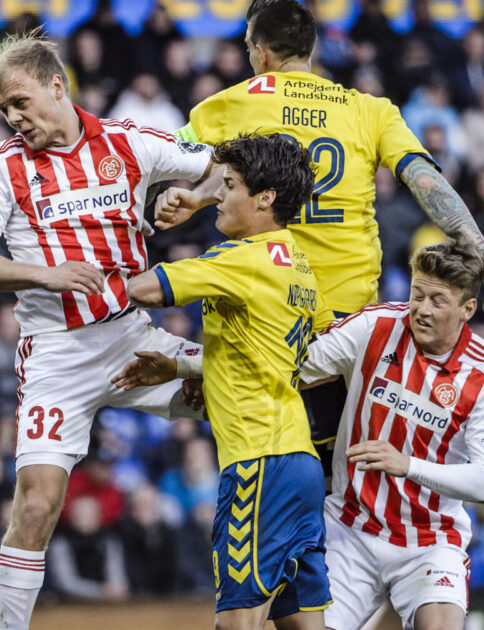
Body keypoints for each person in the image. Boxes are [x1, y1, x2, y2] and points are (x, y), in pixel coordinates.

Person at [163, 0, 484, 467]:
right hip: (349, 315)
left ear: (259, 53)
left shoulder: (238, 100)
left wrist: (188, 196)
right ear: (312, 48)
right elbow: (424, 179)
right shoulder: (368, 110)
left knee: (263, 455)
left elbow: (170, 155)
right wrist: (480, 247)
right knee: (342, 461)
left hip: (268, 306)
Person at [0, 31, 218, 630]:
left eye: (20, 102)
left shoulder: (128, 143)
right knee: (40, 500)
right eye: (4, 110)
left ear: (57, 84)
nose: (14, 118)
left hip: (133, 337)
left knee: (247, 395)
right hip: (55, 355)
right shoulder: (3, 165)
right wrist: (47, 275)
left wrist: (196, 201)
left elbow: (220, 161)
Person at [113, 133, 327, 630]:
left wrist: (60, 274)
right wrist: (186, 367)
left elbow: (142, 289)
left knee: (235, 623)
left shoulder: (242, 259)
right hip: (299, 462)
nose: (219, 197)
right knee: (302, 623)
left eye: (228, 185)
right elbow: (262, 353)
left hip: (257, 461)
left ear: (265, 197)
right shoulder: (298, 265)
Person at [297, 241, 484, 630]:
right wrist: (190, 369)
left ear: (467, 308)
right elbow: (294, 367)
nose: (422, 309)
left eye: (437, 300)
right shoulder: (376, 325)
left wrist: (406, 464)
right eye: (417, 294)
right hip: (351, 527)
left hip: (430, 541)